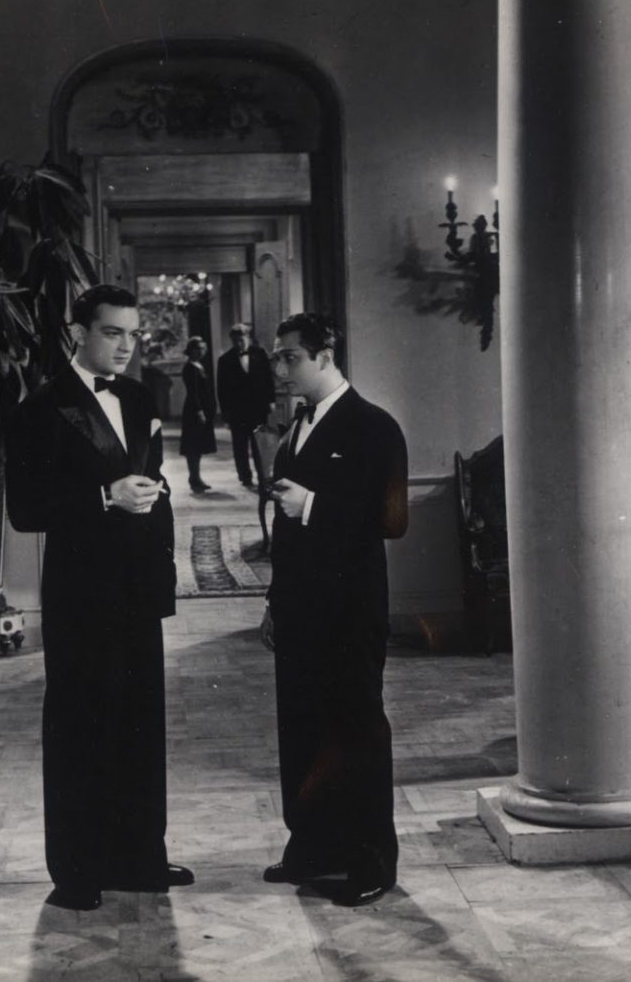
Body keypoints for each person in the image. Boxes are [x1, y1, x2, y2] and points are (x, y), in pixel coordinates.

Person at [4, 284, 194, 912]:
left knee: (140, 723)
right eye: (113, 332)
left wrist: (156, 533)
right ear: (79, 332)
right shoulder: (39, 409)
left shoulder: (139, 398)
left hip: (137, 585)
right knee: (79, 725)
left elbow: (153, 481)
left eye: (133, 334)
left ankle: (139, 858)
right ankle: (77, 871)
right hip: (80, 592)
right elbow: (25, 510)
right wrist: (104, 497)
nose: (125, 346)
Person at [259, 312, 409, 907]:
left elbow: (392, 521)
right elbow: (286, 538)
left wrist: (313, 505)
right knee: (300, 728)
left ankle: (372, 862)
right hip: (299, 610)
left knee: (355, 730)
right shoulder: (296, 428)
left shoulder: (375, 426)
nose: (280, 368)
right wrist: (274, 604)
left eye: (290, 357)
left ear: (325, 355)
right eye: (277, 357)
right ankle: (313, 847)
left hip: (351, 611)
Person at [216, 323, 276, 488]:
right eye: (235, 341)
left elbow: (268, 379)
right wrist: (225, 412)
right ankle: (245, 477)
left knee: (259, 444)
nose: (239, 344)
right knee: (240, 445)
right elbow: (221, 389)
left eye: (241, 340)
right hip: (237, 411)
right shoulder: (225, 360)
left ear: (248, 338)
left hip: (258, 408)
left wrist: (271, 401)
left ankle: (263, 476)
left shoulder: (260, 354)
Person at [179, 336, 217, 493]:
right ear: (190, 350)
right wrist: (199, 411)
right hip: (194, 412)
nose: (200, 351)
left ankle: (196, 477)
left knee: (198, 446)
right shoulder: (189, 367)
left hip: (202, 410)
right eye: (197, 349)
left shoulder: (199, 365)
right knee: (193, 447)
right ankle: (193, 478)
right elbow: (193, 392)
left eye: (202, 348)